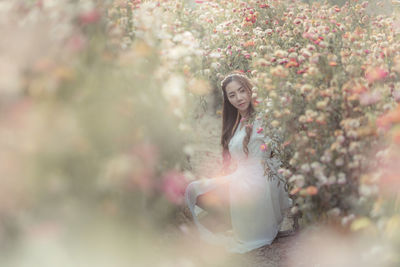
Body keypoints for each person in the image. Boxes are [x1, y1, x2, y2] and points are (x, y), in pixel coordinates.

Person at [184, 72, 293, 253]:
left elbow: (277, 154)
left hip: (258, 182)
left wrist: (276, 191)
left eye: (242, 91)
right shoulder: (237, 123)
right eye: (232, 95)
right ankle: (230, 221)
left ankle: (239, 222)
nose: (239, 98)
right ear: (227, 99)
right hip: (241, 177)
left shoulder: (264, 117)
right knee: (194, 189)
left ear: (250, 90)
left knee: (207, 193)